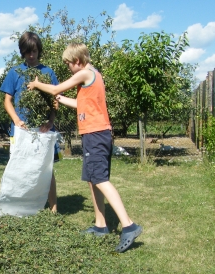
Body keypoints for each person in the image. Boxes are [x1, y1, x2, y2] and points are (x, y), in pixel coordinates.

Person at [27, 43, 142, 252]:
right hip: (95, 133)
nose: (69, 68)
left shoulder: (85, 73)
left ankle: (128, 225)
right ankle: (100, 225)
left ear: (78, 61)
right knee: (92, 179)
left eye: (69, 64)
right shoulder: (93, 76)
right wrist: (61, 99)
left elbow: (54, 88)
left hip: (96, 134)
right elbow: (82, 104)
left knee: (101, 179)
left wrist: (37, 85)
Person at [0, 31, 59, 213]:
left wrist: (50, 122)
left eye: (34, 51)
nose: (31, 56)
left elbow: (55, 101)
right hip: (20, 130)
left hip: (42, 130)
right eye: (27, 52)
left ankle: (54, 208)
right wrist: (16, 119)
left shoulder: (47, 73)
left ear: (39, 50)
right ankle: (18, 208)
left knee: (46, 170)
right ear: (22, 52)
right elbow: (7, 101)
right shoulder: (15, 73)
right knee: (19, 168)